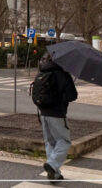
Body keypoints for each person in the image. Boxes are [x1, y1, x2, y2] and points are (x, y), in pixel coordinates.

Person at [34, 54, 77, 182]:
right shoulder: (63, 75)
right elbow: (72, 96)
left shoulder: (41, 73)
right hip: (57, 113)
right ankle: (52, 165)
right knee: (64, 141)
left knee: (50, 142)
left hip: (43, 113)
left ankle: (55, 174)